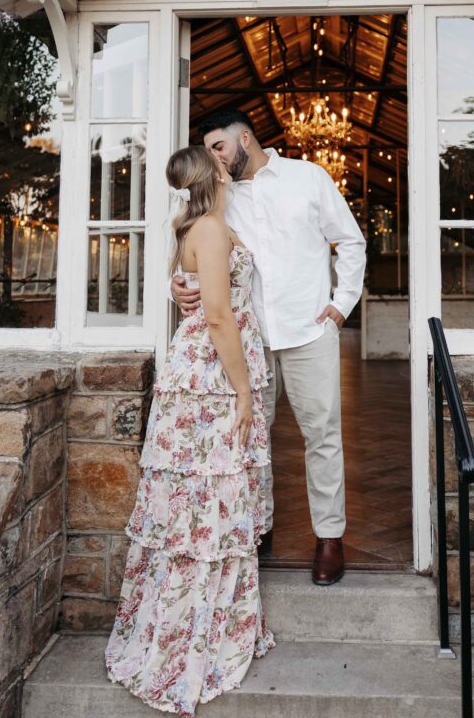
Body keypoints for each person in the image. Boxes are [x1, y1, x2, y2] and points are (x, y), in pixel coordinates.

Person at [106, 145, 274, 718]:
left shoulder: (200, 226)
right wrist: (244, 389)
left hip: (199, 370)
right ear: (218, 176)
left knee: (194, 502)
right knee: (210, 499)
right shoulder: (210, 229)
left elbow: (199, 297)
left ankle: (189, 624)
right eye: (224, 164)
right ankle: (192, 638)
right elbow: (220, 315)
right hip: (213, 377)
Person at [171, 108, 366, 586]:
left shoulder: (307, 178)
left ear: (245, 138)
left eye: (219, 148)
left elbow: (351, 241)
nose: (214, 160)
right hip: (247, 339)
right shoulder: (218, 197)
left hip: (308, 331)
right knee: (250, 440)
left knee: (321, 436)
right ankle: (259, 529)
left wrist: (341, 304)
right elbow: (191, 249)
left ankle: (328, 537)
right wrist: (176, 287)